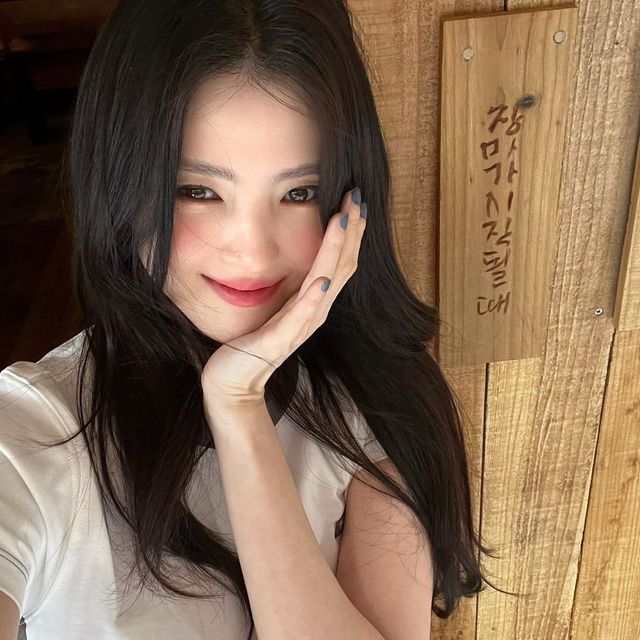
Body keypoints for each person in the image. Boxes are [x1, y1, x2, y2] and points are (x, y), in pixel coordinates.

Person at [0, 1, 513, 638]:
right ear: (120, 190)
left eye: (299, 193)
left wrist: (238, 404)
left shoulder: (375, 404)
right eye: (197, 191)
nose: (252, 251)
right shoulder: (32, 436)